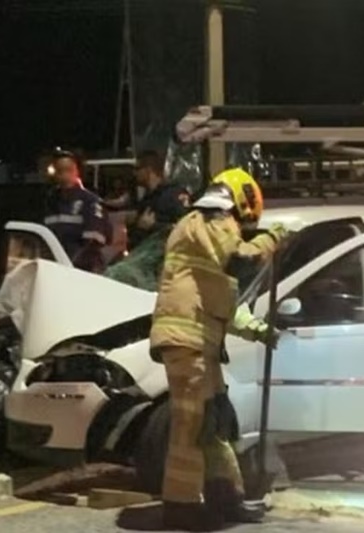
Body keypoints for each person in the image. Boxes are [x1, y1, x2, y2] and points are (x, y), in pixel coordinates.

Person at [149, 168, 290, 531]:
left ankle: (226, 499)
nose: (243, 225)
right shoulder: (212, 217)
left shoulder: (206, 228)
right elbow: (240, 260)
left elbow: (221, 301)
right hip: (186, 340)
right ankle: (181, 507)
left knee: (216, 423)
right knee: (192, 422)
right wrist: (272, 239)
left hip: (200, 344)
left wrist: (258, 330)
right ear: (240, 199)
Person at [43, 149, 112, 273]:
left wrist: (69, 266)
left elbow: (93, 243)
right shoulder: (49, 202)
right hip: (54, 270)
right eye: (60, 171)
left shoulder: (91, 202)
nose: (64, 176)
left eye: (69, 170)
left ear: (77, 172)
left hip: (83, 271)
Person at [127, 150, 191, 249]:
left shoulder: (173, 194)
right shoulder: (147, 199)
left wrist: (154, 226)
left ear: (148, 170)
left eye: (137, 169)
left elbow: (187, 229)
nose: (134, 173)